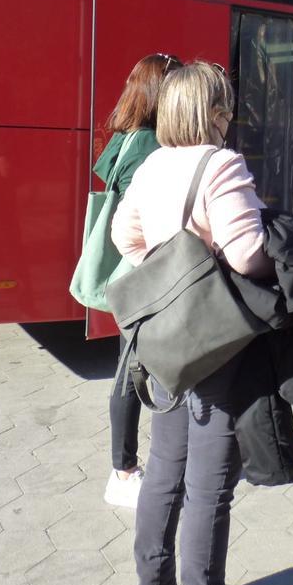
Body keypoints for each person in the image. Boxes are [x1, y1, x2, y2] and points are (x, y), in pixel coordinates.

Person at [112, 61, 270, 585]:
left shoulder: (151, 165)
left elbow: (123, 239)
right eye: (226, 107)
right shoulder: (222, 165)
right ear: (213, 113)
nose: (230, 118)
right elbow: (247, 256)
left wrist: (166, 274)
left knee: (162, 471)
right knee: (209, 487)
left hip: (165, 344)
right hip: (215, 344)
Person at [95, 53, 183, 509]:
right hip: (142, 268)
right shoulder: (151, 146)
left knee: (130, 363)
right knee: (130, 369)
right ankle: (123, 471)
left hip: (123, 269)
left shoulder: (123, 138)